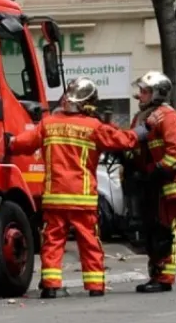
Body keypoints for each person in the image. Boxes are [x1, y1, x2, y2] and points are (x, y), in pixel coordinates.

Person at [8, 77, 147, 299]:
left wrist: (10, 142)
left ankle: (51, 285)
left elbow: (23, 143)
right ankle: (95, 286)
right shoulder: (94, 127)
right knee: (89, 241)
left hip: (55, 196)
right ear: (88, 103)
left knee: (53, 241)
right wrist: (141, 131)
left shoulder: (49, 123)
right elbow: (123, 141)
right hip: (82, 197)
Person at [127, 71, 176, 294]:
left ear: (157, 93)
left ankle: (165, 277)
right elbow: (134, 145)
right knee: (152, 230)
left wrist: (158, 171)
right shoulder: (142, 118)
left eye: (144, 91)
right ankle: (155, 272)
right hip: (151, 182)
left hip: (170, 182)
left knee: (166, 230)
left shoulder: (169, 117)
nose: (140, 95)